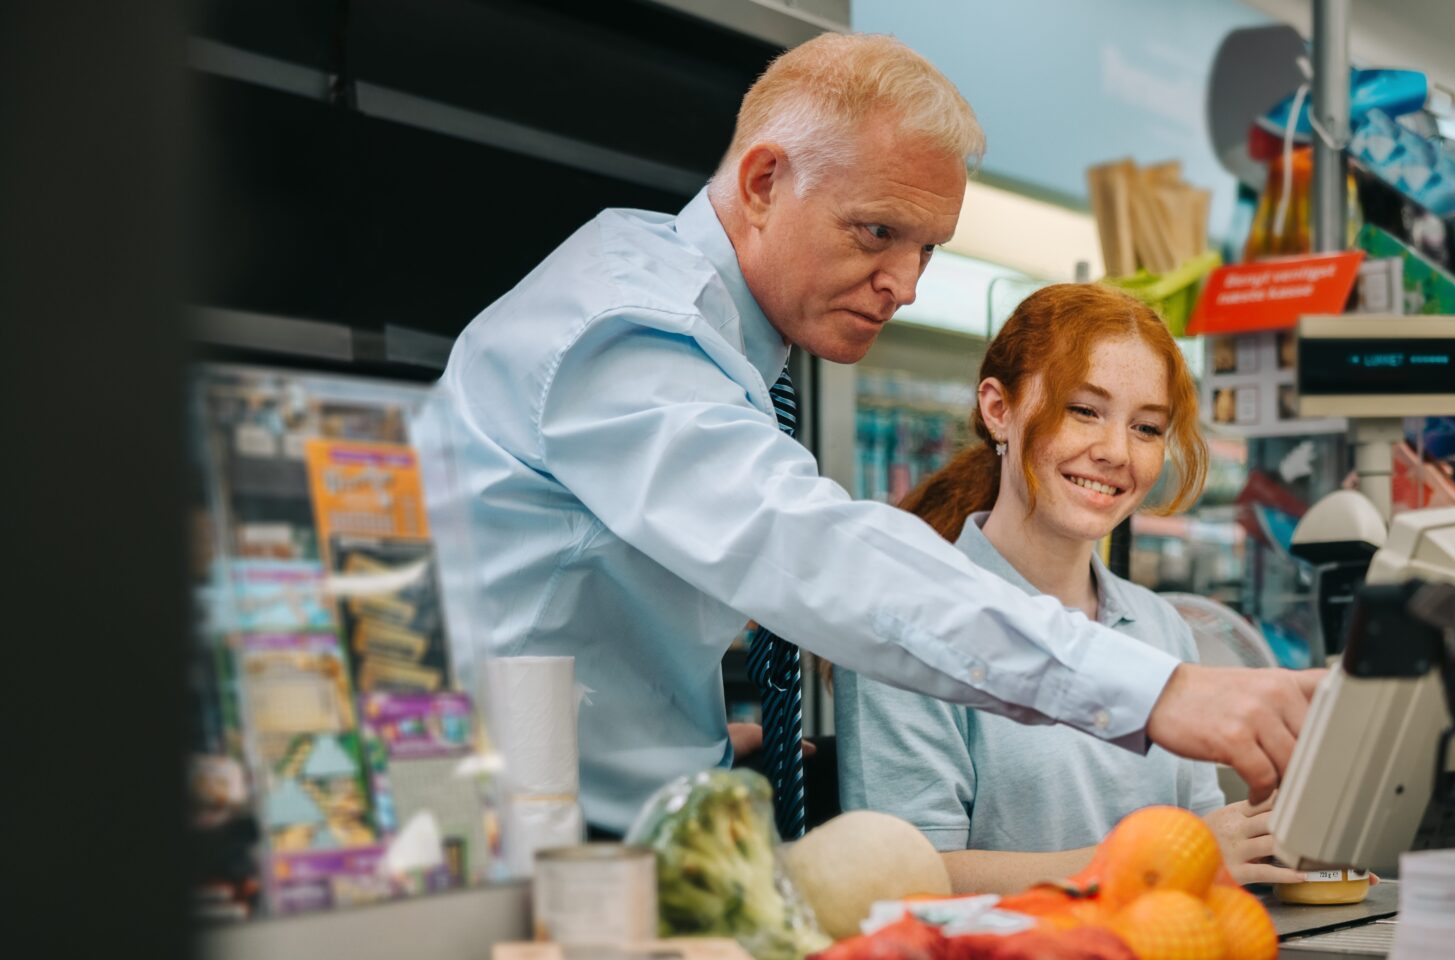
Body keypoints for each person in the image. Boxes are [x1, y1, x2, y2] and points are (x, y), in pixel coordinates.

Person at [432, 32, 1321, 838]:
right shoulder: (626, 326)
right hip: (515, 854)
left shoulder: (720, 342)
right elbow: (811, 553)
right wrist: (1153, 690)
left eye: (928, 249)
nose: (904, 285)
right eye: (878, 232)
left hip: (631, 831)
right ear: (763, 182)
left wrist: (687, 738)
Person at [836, 284, 1309, 894]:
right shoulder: (904, 625)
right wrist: (1157, 860)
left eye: (1146, 427)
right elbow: (905, 879)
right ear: (997, 409)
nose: (1115, 451)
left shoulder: (1161, 627)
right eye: (1083, 410)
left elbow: (1204, 840)